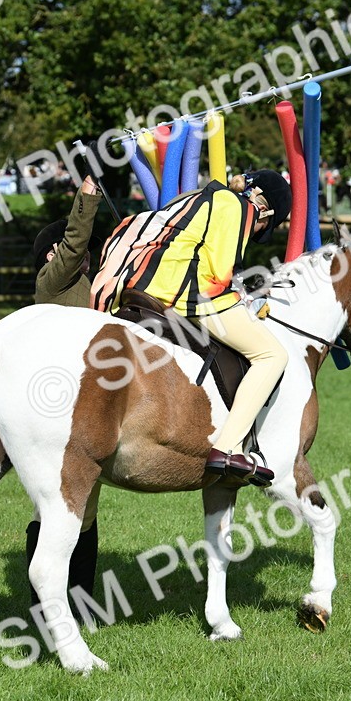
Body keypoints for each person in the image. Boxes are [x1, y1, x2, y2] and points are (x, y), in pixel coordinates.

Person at [91, 169, 292, 486]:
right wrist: (247, 301)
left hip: (138, 287)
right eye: (264, 228)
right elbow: (216, 275)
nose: (258, 231)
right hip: (186, 296)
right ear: (265, 209)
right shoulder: (240, 208)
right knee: (273, 355)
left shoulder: (199, 196)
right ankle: (228, 449)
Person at [26, 175, 103, 601]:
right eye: (70, 249)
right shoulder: (53, 281)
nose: (83, 253)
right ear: (51, 255)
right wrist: (86, 198)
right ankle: (41, 602)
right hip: (58, 408)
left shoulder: (87, 287)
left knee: (85, 515)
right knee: (52, 510)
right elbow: (75, 242)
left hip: (88, 406)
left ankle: (82, 600)